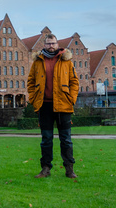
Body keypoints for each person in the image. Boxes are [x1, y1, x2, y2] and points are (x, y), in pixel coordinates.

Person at [27, 34, 79, 178]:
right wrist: (33, 98)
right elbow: (30, 82)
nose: (51, 46)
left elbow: (74, 82)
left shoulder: (66, 61)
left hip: (63, 105)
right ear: (44, 45)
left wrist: (71, 99)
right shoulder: (38, 62)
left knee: (66, 139)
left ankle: (69, 169)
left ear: (57, 45)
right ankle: (45, 168)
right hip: (44, 106)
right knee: (46, 139)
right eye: (48, 43)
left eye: (53, 43)